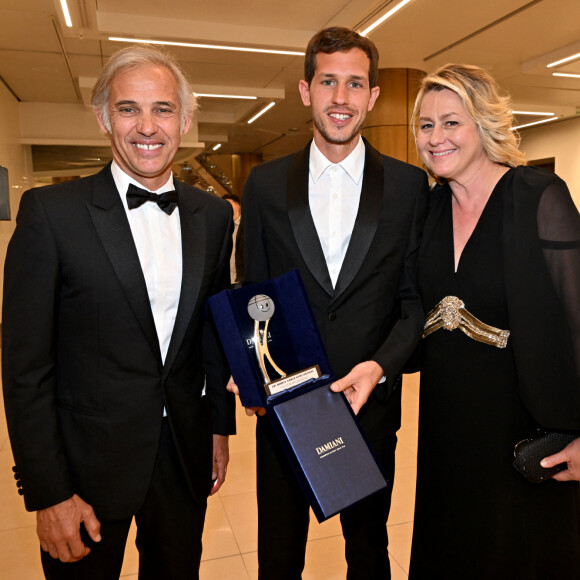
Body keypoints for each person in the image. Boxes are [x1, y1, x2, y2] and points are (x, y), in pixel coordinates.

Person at [2, 44, 235, 579]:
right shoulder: (51, 214)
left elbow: (212, 334)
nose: (147, 126)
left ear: (186, 119)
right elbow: (25, 368)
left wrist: (217, 432)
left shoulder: (212, 216)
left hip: (182, 454)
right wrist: (48, 492)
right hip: (84, 469)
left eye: (163, 109)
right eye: (129, 109)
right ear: (105, 117)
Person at [236, 27, 429, 579]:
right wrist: (250, 371)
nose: (341, 98)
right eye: (328, 82)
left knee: (368, 553)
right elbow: (253, 293)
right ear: (305, 91)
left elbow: (415, 302)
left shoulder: (412, 187)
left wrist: (381, 366)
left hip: (369, 404)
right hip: (286, 408)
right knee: (279, 554)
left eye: (355, 84)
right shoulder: (266, 185)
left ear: (372, 96)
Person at [405, 63, 580, 578]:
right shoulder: (429, 208)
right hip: (445, 430)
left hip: (523, 428)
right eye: (426, 124)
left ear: (482, 124)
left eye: (451, 122)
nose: (436, 137)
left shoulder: (537, 196)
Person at [222, 193, 243, 286]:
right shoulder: (222, 227)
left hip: (240, 278)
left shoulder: (246, 227)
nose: (227, 208)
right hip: (225, 279)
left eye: (229, 204)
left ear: (238, 206)